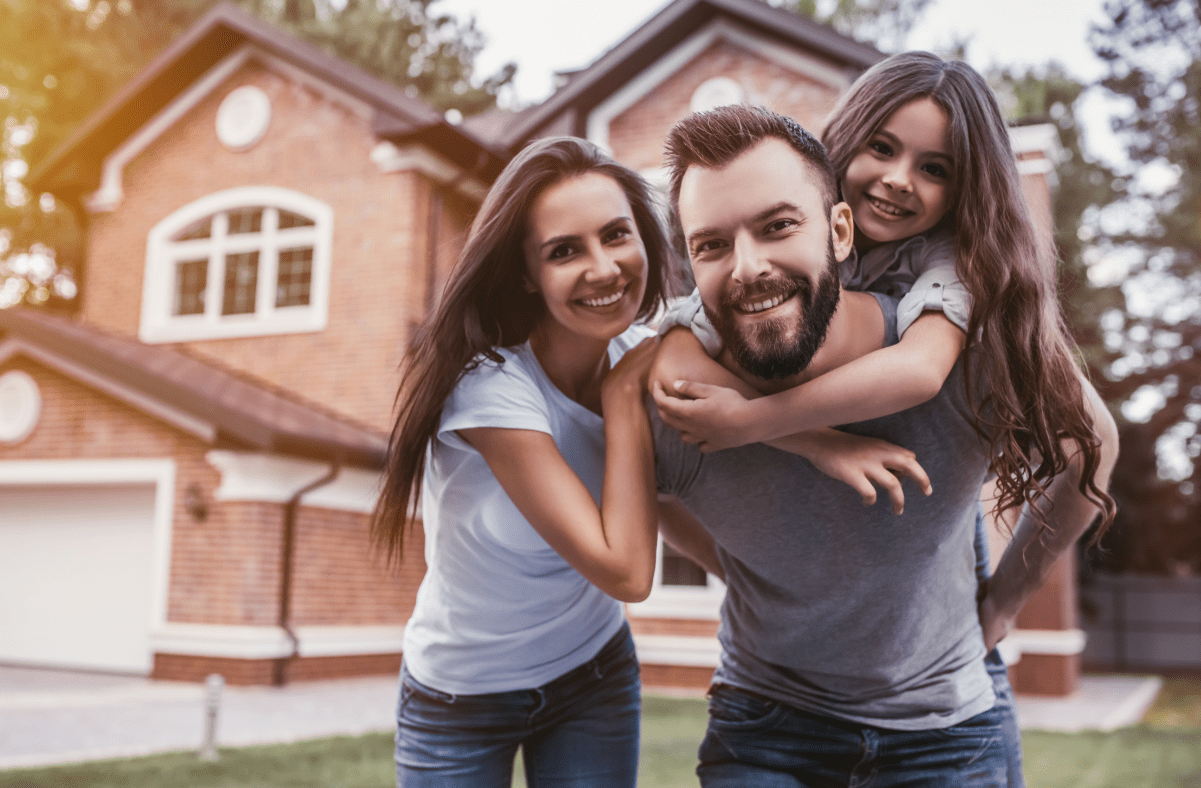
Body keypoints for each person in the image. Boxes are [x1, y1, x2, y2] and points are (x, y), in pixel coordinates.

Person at [652, 53, 1120, 785]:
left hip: (942, 707)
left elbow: (1083, 442)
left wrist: (1003, 603)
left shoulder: (961, 275)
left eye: (934, 168)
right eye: (881, 147)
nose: (900, 178)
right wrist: (755, 562)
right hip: (770, 706)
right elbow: (662, 390)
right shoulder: (763, 268)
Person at [370, 136, 706, 787]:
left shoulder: (645, 352)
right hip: (459, 698)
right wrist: (621, 396)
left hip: (593, 675)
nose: (604, 267)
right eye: (564, 250)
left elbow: (668, 494)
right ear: (527, 273)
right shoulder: (489, 388)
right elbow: (626, 571)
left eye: (616, 235)